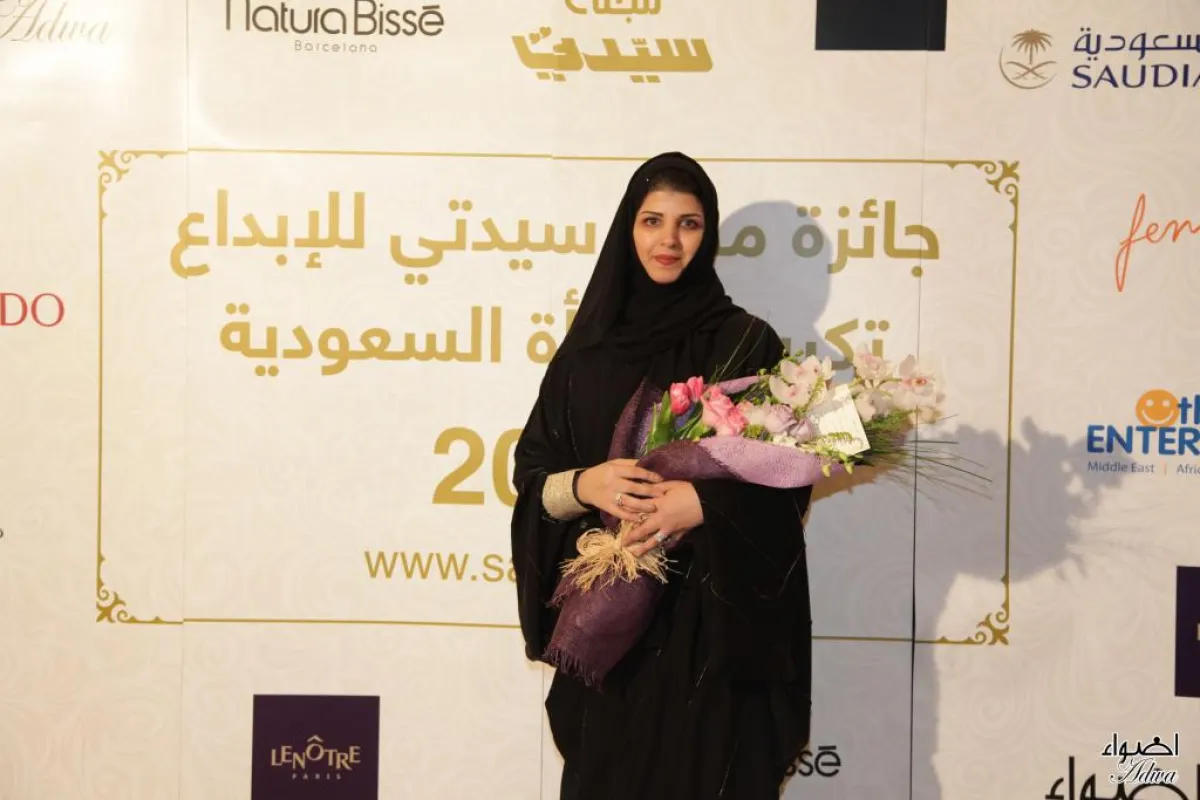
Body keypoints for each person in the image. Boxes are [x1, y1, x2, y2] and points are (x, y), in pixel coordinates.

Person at [510, 152, 813, 799]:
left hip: (709, 639)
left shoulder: (745, 343)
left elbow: (787, 484)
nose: (668, 240)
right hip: (610, 641)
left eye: (688, 223)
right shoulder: (586, 356)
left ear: (708, 235)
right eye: (652, 221)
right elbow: (533, 477)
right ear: (629, 227)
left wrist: (703, 504)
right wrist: (585, 484)